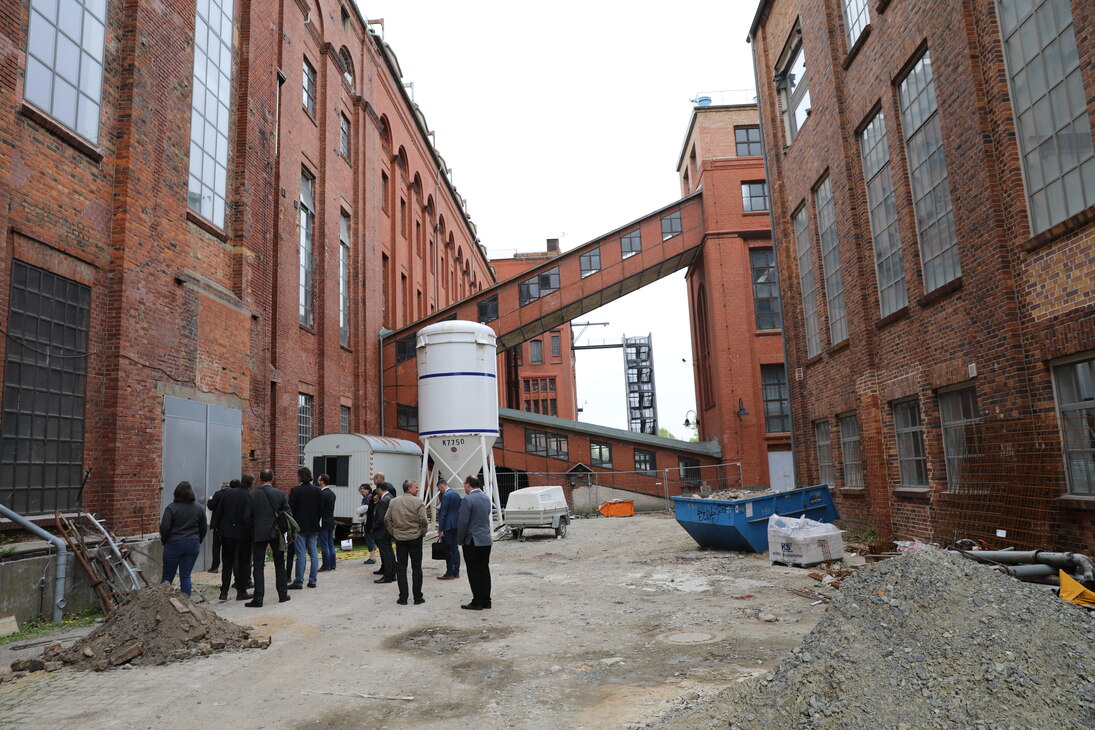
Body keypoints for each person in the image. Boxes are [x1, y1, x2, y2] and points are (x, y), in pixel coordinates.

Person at [247, 469, 291, 607]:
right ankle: (282, 595)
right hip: (276, 532)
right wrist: (288, 534)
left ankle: (258, 598)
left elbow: (246, 515)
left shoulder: (252, 494)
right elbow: (287, 515)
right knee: (279, 563)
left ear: (260, 479)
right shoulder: (279, 493)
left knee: (258, 565)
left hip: (258, 532)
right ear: (273, 478)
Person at [159, 480, 207, 597]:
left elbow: (164, 528)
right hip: (192, 544)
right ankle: (186, 603)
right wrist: (197, 540)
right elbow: (203, 528)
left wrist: (165, 541)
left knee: (167, 577)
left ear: (176, 493)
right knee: (185, 576)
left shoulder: (171, 508)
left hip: (174, 544)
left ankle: (163, 602)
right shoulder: (199, 508)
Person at [385, 479, 428, 605]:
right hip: (415, 538)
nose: (418, 489)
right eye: (416, 487)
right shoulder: (418, 502)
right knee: (417, 568)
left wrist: (394, 532)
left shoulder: (394, 502)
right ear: (409, 489)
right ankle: (417, 597)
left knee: (402, 568)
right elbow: (424, 520)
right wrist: (422, 532)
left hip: (400, 538)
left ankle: (403, 598)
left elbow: (387, 519)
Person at [213, 477, 253, 601]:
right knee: (243, 563)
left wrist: (218, 528)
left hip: (227, 533)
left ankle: (224, 591)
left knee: (227, 563)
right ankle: (241, 591)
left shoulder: (227, 493)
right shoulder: (250, 495)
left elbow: (219, 511)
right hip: (243, 534)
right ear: (251, 484)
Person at [456, 475, 493, 610]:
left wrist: (460, 540)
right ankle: (486, 600)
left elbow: (463, 522)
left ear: (468, 485)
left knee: (473, 571)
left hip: (472, 540)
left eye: (464, 484)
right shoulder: (486, 498)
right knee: (484, 569)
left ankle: (477, 601)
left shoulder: (468, 499)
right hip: (485, 539)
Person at [289, 466, 323, 589]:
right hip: (313, 525)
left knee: (301, 555)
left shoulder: (295, 491)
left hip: (300, 526)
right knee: (313, 553)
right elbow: (320, 509)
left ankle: (299, 581)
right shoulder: (318, 490)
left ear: (300, 477)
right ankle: (313, 580)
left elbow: (290, 510)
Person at [371, 481, 396, 584]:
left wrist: (373, 528)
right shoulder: (391, 498)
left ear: (379, 489)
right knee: (389, 552)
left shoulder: (384, 501)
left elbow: (381, 518)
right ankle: (392, 574)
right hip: (389, 531)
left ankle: (387, 576)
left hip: (382, 532)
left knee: (386, 554)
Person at [436, 478, 461, 580]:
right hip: (456, 524)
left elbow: (444, 513)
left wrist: (441, 529)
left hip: (448, 525)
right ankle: (456, 572)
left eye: (439, 489)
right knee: (455, 549)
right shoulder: (456, 494)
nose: (440, 491)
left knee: (449, 550)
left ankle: (449, 572)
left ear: (442, 486)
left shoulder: (446, 496)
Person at [205, 481, 229, 573]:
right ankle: (227, 566)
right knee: (228, 547)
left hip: (218, 525)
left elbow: (211, 506)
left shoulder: (218, 494)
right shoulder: (232, 494)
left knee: (216, 546)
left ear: (221, 487)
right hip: (229, 526)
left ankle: (215, 567)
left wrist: (210, 500)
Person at [317, 474, 337, 572]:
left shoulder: (322, 494)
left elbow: (319, 509)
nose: (317, 481)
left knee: (324, 544)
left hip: (323, 521)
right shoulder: (332, 493)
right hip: (331, 520)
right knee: (331, 544)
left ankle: (326, 565)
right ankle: (333, 564)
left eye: (319, 479)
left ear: (322, 481)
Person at [356, 484, 378, 565]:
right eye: (361, 489)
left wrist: (358, 510)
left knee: (369, 538)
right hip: (371, 521)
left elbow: (367, 508)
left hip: (369, 522)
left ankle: (372, 558)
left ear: (369, 490)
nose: (362, 490)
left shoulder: (368, 497)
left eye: (364, 489)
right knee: (371, 538)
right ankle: (373, 557)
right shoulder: (368, 497)